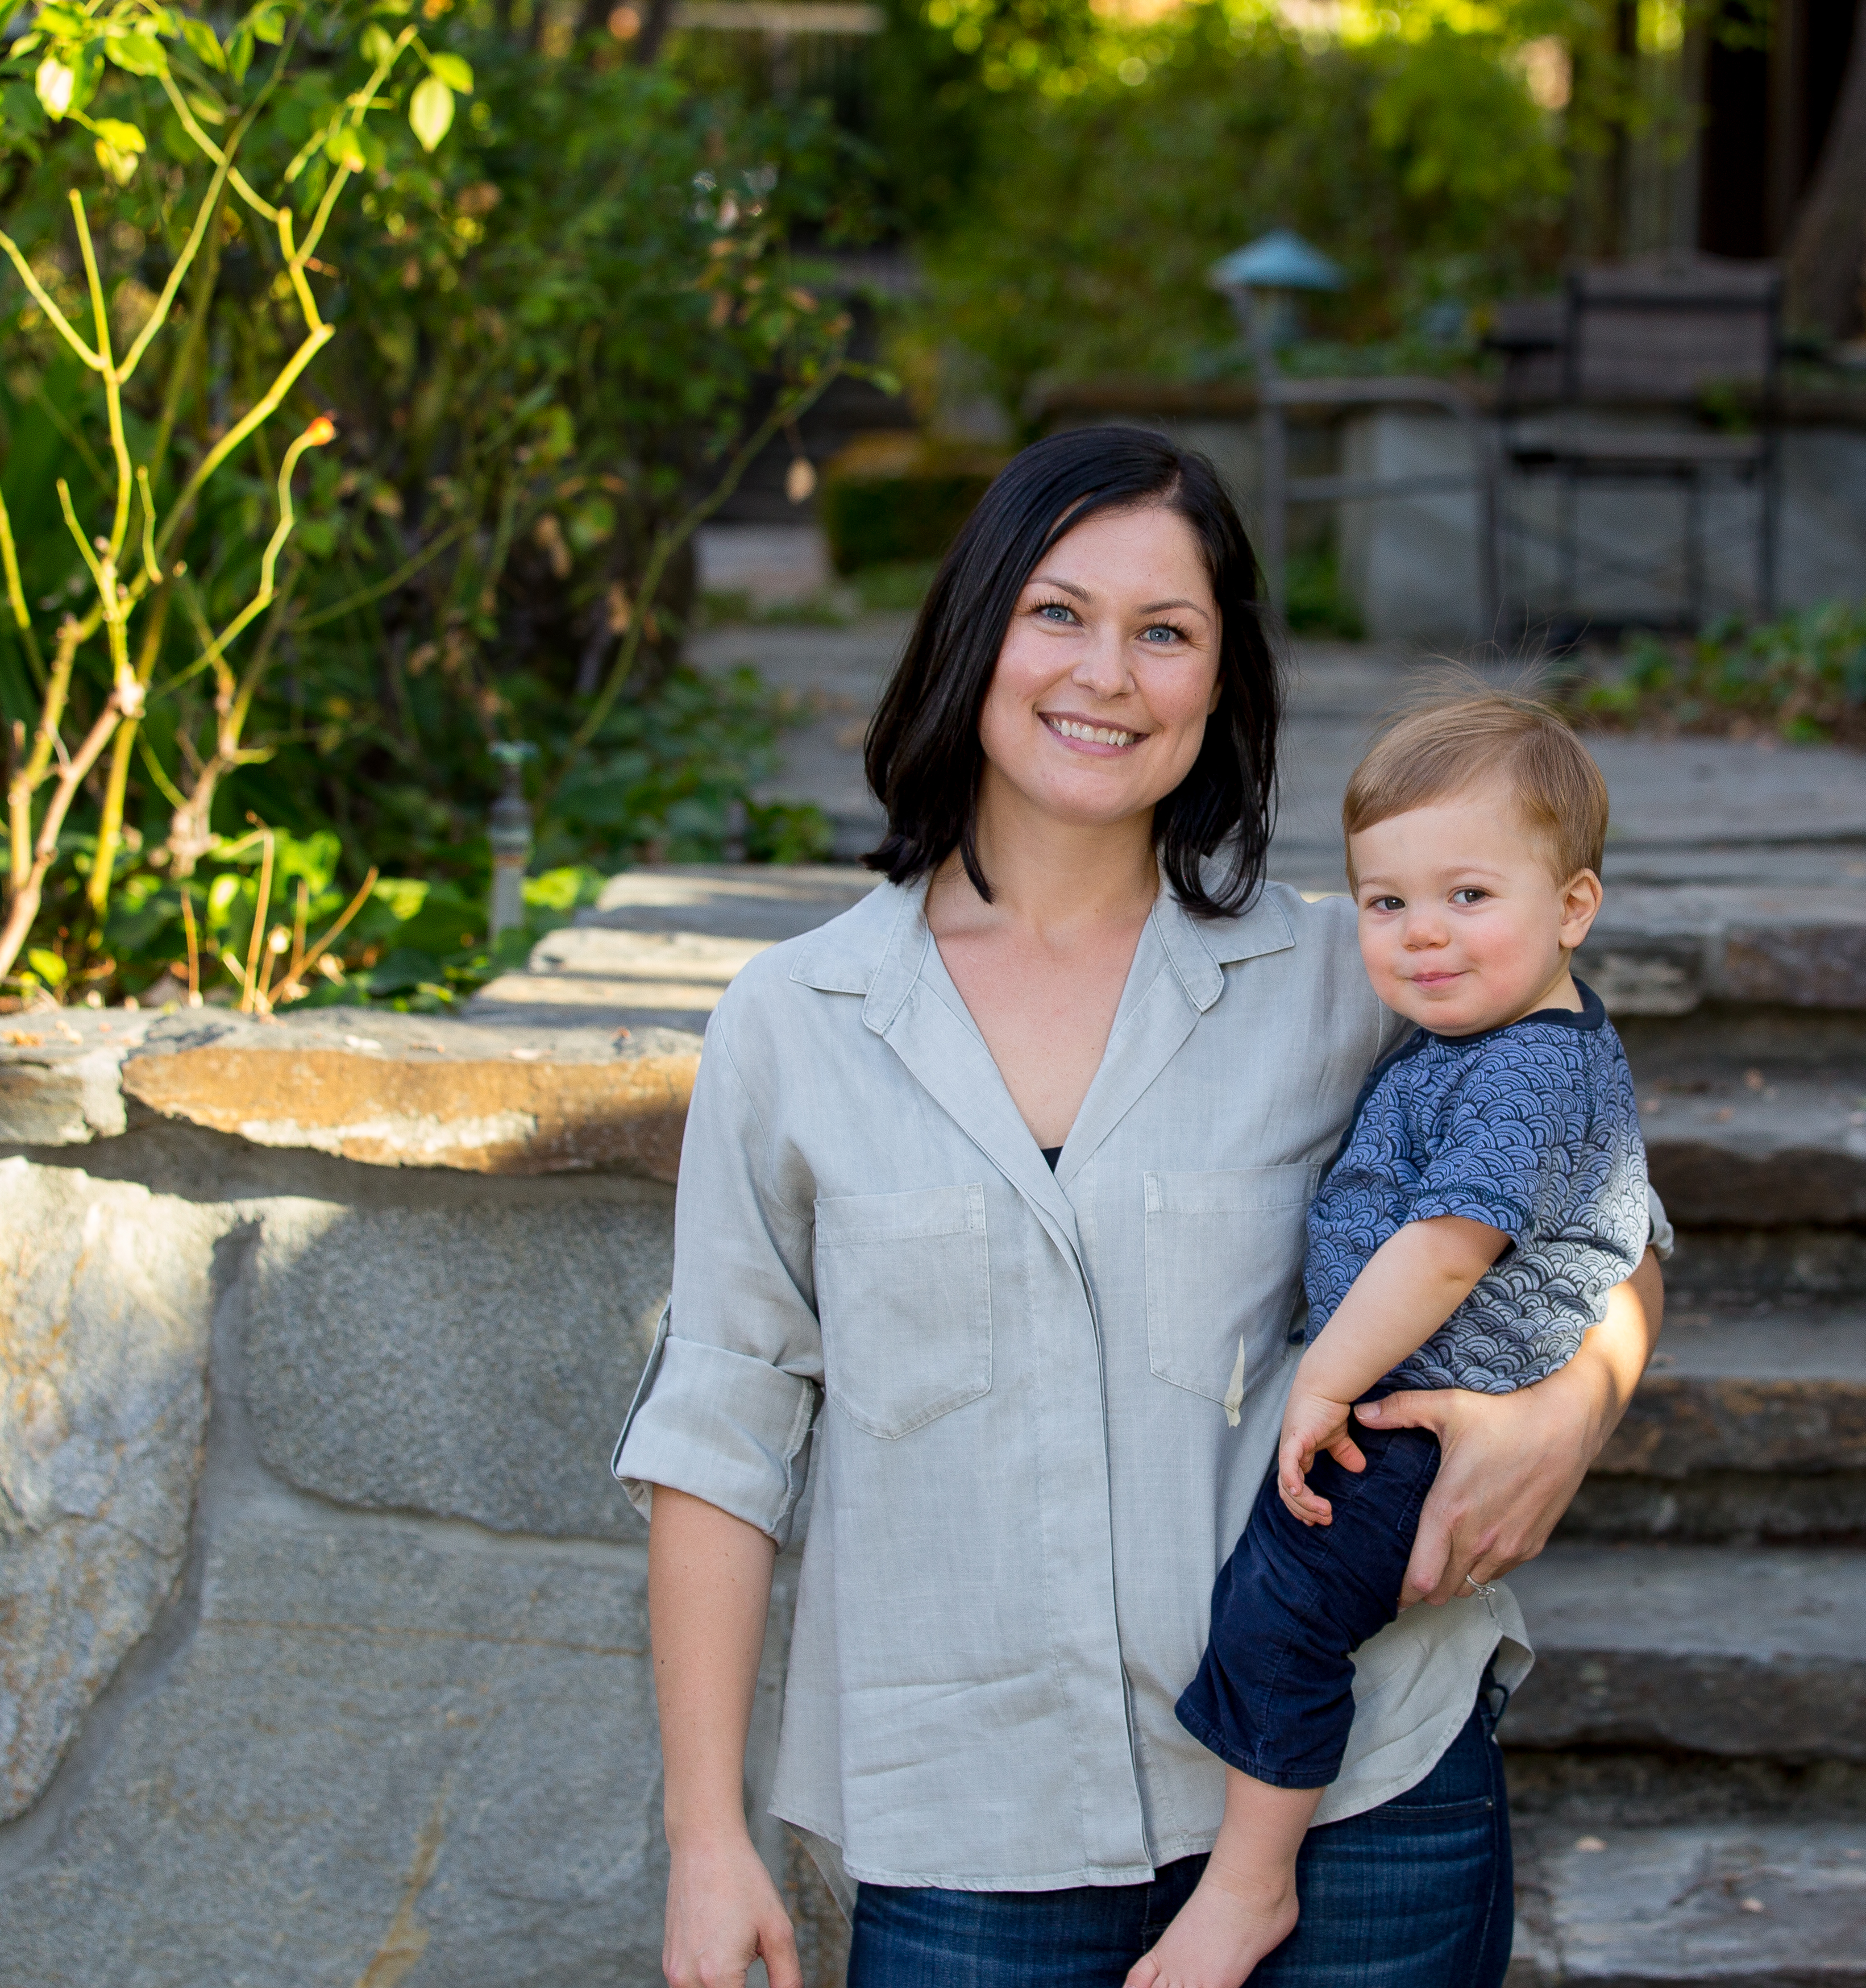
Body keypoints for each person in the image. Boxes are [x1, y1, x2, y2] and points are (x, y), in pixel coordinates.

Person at [612, 425, 1666, 1988]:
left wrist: (1569, 1411)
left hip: (1364, 1797)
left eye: (1165, 632)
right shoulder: (798, 1020)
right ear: (975, 631)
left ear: (1218, 682)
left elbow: (1609, 1203)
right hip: (974, 1835)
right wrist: (709, 1841)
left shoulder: (1347, 970)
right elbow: (722, 1427)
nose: (1107, 673)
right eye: (1059, 613)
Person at [1133, 691, 1652, 1988]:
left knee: (1280, 1618)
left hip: (1421, 1414)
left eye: (1469, 897)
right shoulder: (1481, 1034)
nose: (1422, 935)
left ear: (1572, 908)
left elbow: (1447, 1244)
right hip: (1413, 1391)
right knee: (1277, 1612)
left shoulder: (1529, 1066)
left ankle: (1247, 1887)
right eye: (1386, 904)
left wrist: (1324, 1380)